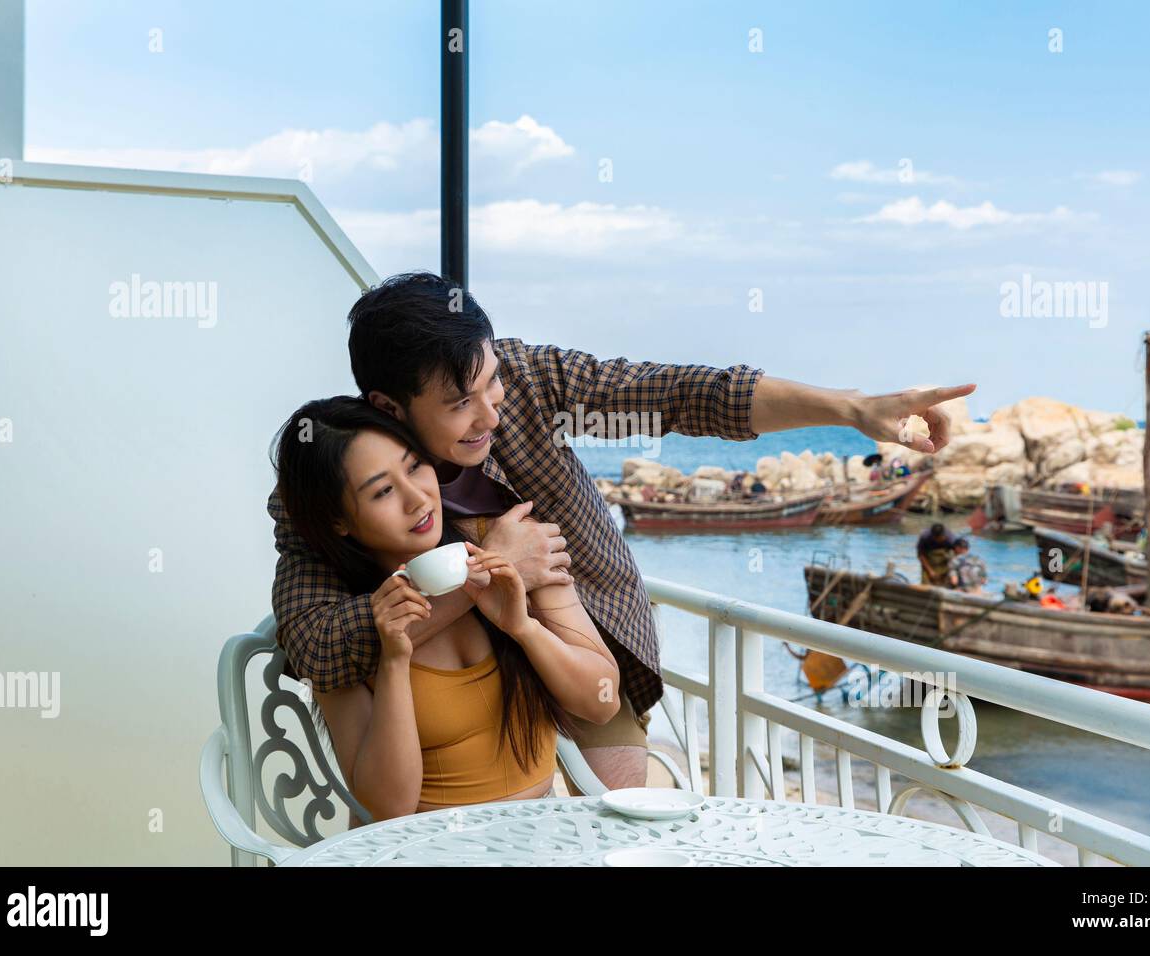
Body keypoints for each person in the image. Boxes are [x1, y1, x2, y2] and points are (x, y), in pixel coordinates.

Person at [269, 271, 975, 795]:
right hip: (456, 699)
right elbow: (316, 645)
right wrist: (491, 576)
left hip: (586, 642)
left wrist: (850, 409)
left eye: (492, 385)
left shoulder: (529, 377)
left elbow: (679, 394)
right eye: (460, 404)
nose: (489, 413)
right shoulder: (327, 489)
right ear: (389, 406)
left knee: (617, 832)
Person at [271, 397, 620, 820]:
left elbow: (602, 702)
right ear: (338, 521)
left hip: (544, 835)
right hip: (423, 846)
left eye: (416, 465)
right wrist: (394, 660)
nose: (417, 498)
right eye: (383, 490)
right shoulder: (350, 628)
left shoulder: (511, 548)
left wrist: (524, 628)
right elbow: (387, 807)